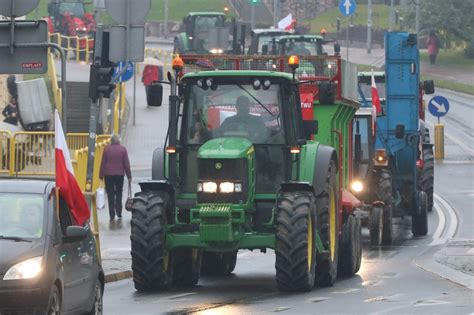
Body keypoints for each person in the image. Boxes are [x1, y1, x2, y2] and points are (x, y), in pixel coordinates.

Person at [99, 134, 132, 220]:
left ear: (111, 140)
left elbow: (103, 163)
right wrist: (129, 176)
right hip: (119, 174)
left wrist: (101, 175)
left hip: (108, 174)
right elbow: (126, 164)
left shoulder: (106, 149)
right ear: (119, 140)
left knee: (110, 194)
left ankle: (111, 214)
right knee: (119, 193)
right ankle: (119, 212)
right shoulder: (123, 149)